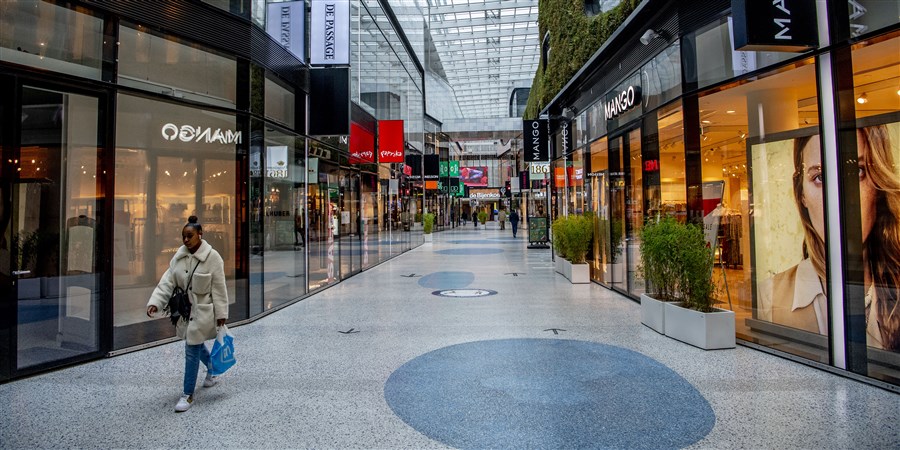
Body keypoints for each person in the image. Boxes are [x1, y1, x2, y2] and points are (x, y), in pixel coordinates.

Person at [759, 125, 900, 352]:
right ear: (802, 195)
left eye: (857, 171)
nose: (839, 197)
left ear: (878, 187)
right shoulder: (769, 299)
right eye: (820, 177)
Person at [146, 216, 229, 412]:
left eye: (189, 236)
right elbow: (167, 281)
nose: (185, 240)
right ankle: (213, 370)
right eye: (183, 236)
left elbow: (219, 288)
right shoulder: (179, 257)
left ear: (200, 235)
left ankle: (188, 394)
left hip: (203, 313)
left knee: (191, 350)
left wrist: (221, 314)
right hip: (185, 312)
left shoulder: (213, 257)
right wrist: (155, 303)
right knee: (196, 345)